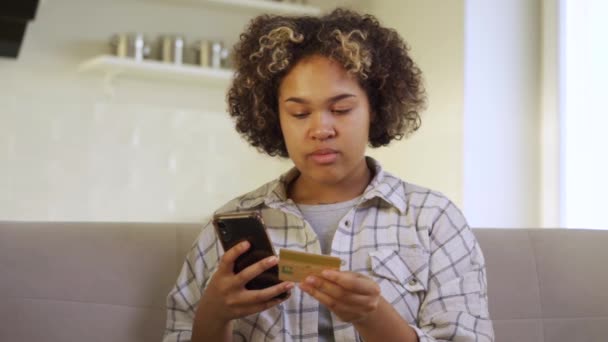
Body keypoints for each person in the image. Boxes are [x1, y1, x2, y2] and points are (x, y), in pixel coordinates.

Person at [163, 8, 494, 342]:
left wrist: (374, 317)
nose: (321, 129)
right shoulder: (228, 225)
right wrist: (214, 315)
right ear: (273, 118)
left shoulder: (433, 220)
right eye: (300, 113)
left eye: (341, 110)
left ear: (375, 109)